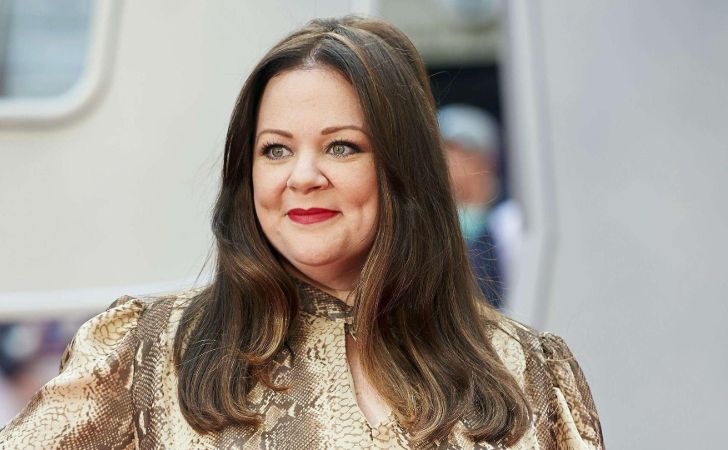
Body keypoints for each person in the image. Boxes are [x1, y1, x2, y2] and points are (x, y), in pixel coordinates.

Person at [0, 16, 603, 449]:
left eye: (341, 147)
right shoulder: (148, 355)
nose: (303, 176)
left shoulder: (527, 371)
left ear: (406, 168)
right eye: (275, 149)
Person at [438, 104, 524, 308]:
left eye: (459, 151)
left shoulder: (514, 222)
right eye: (441, 153)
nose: (449, 162)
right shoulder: (429, 228)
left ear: (488, 159)